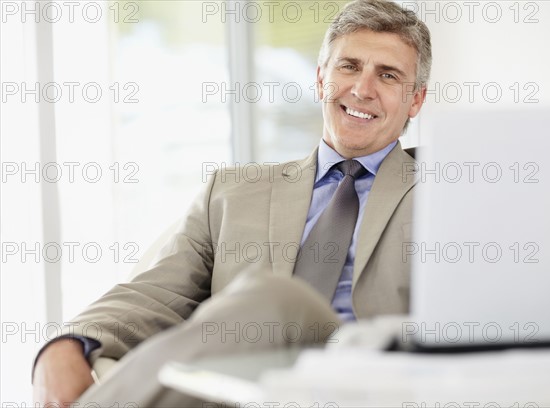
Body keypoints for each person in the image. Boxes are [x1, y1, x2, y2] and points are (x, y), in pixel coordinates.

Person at [32, 0, 431, 405]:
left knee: (280, 297)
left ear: (415, 101)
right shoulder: (232, 192)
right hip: (243, 390)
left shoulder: (442, 191)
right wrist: (68, 342)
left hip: (375, 383)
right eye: (348, 66)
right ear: (320, 79)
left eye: (388, 75)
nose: (362, 89)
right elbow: (153, 294)